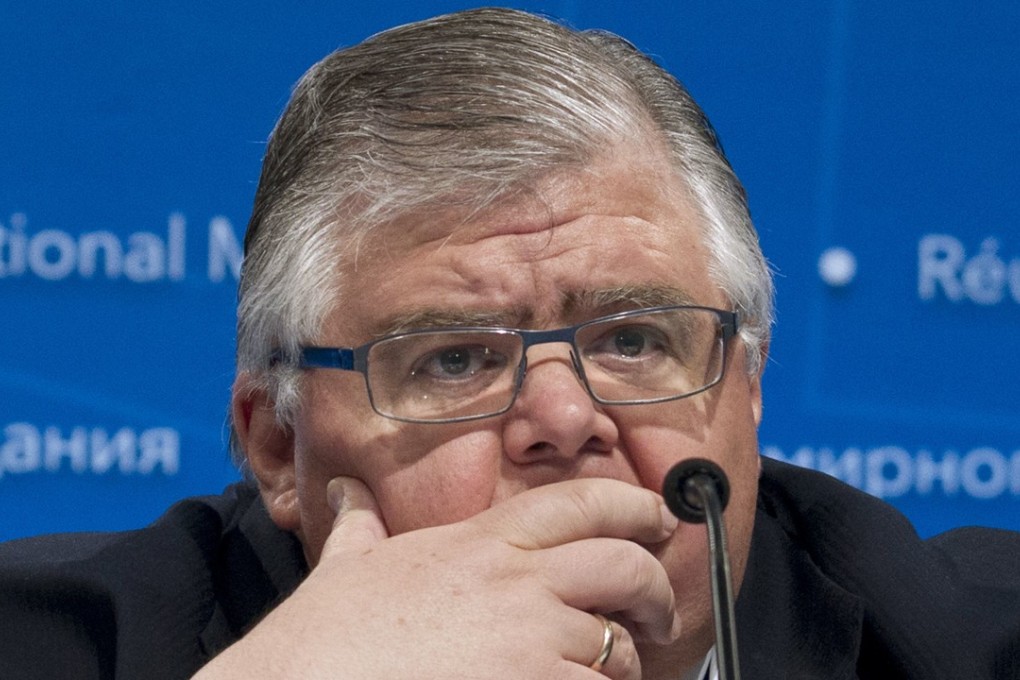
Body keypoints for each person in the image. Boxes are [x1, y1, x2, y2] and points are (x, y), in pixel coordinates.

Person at [1, 7, 1017, 680]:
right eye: (454, 358)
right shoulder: (50, 643)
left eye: (632, 337)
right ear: (278, 443)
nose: (566, 419)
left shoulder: (962, 639)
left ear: (745, 389)